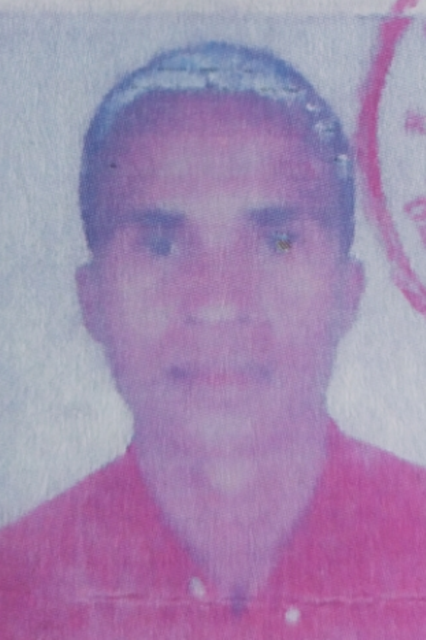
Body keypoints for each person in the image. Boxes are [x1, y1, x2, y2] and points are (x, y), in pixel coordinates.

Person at [1, 42, 426, 639]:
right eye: (160, 245)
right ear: (91, 300)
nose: (218, 301)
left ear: (347, 292)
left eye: (278, 240)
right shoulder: (16, 589)